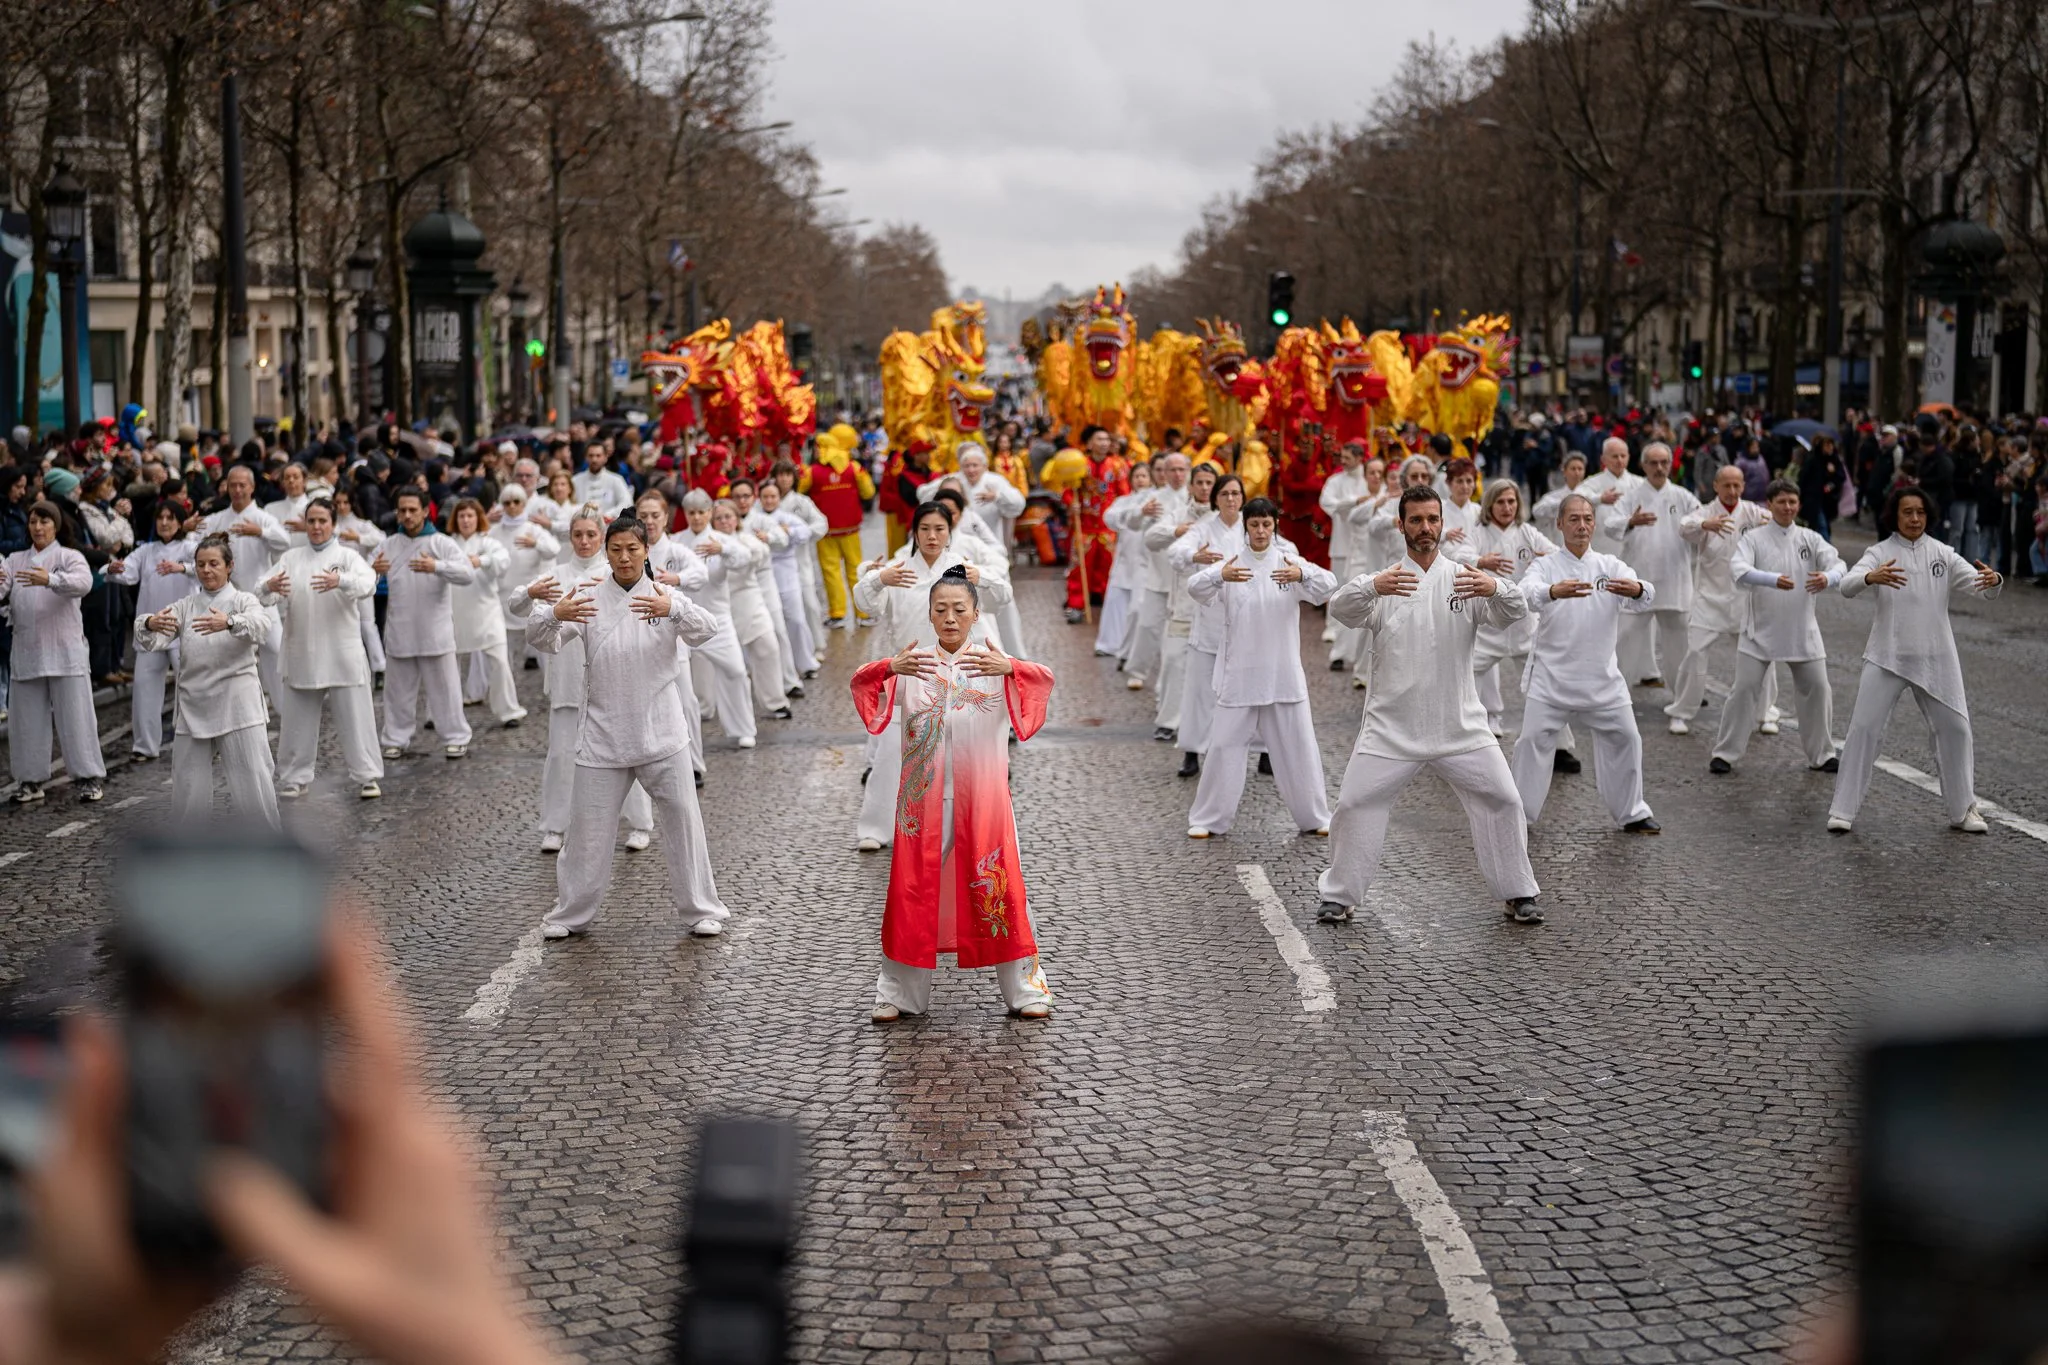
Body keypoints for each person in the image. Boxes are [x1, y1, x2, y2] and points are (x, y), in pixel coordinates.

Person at [1316, 486, 1543, 926]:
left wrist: (1494, 585)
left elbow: (1516, 609)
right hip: (1391, 727)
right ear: (1400, 525)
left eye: (1433, 520)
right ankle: (1339, 895)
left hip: (1459, 725)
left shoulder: (1464, 577)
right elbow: (1341, 608)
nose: (1425, 529)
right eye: (1416, 520)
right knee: (1354, 803)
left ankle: (1518, 893)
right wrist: (1370, 584)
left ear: (1443, 523)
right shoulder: (1384, 582)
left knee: (1503, 799)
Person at [853, 564, 1054, 1022]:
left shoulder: (993, 664)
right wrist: (888, 666)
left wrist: (1012, 668)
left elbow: (1041, 680)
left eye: (959, 609)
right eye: (940, 609)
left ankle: (1025, 988)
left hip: (982, 799)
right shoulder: (913, 663)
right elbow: (865, 686)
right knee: (910, 890)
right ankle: (898, 993)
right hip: (921, 802)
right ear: (928, 614)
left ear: (975, 613)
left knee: (1000, 887)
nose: (949, 618)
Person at [528, 515, 729, 940]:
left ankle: (700, 908)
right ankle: (570, 913)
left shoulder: (663, 594)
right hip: (603, 733)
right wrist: (552, 614)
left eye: (632, 549)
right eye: (615, 549)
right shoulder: (586, 596)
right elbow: (542, 638)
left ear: (646, 551)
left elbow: (707, 630)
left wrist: (673, 607)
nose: (623, 557)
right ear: (606, 551)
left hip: (662, 731)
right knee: (587, 829)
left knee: (683, 822)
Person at [1827, 486, 2001, 834]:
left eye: (1920, 512)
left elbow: (1983, 588)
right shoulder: (1879, 552)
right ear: (1895, 515)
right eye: (1907, 512)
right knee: (1864, 729)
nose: (1915, 518)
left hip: (1937, 656)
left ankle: (1963, 810)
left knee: (1956, 729)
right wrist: (1868, 577)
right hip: (1886, 655)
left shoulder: (1944, 553)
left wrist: (1993, 580)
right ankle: (1842, 811)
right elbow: (1846, 585)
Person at [851, 500, 1013, 851]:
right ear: (914, 532)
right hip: (911, 668)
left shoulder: (961, 569)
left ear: (949, 531)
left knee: (962, 748)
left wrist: (981, 576)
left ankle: (963, 824)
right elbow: (865, 603)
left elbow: (1003, 596)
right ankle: (877, 828)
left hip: (956, 669)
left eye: (939, 529)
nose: (932, 536)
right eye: (925, 529)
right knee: (892, 748)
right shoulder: (900, 571)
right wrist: (879, 578)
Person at [1184, 497, 1336, 839]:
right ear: (1246, 527)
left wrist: (1304, 572)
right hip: (1240, 673)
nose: (1261, 531)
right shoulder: (1231, 563)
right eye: (1255, 525)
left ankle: (1314, 815)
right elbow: (1195, 588)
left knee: (1299, 747)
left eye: (1267, 524)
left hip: (1283, 673)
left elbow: (1329, 585)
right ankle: (1208, 818)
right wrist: (1219, 576)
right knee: (1223, 747)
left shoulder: (1289, 562)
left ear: (1275, 526)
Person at [1509, 494, 1661, 834]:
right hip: (1551, 679)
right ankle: (1519, 814)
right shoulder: (1546, 565)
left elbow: (1646, 595)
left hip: (1602, 679)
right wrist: (1552, 592)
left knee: (1627, 737)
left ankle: (1633, 812)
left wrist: (1636, 590)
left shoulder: (1610, 565)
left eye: (1588, 519)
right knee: (1532, 741)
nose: (1582, 525)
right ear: (1559, 524)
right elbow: (1524, 594)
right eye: (1574, 519)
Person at [511, 507, 658, 852]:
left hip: (613, 681)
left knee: (629, 751)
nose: (584, 541)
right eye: (578, 535)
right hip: (565, 678)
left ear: (602, 538)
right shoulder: (556, 574)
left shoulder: (618, 574)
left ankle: (639, 823)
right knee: (562, 755)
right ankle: (555, 827)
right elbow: (518, 608)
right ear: (569, 537)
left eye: (592, 535)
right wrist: (532, 593)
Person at [135, 533, 279, 826]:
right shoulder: (186, 605)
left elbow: (262, 625)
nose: (206, 570)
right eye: (201, 564)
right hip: (193, 706)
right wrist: (149, 623)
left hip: (238, 706)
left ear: (229, 566)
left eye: (214, 563)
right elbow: (151, 638)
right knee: (188, 791)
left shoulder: (243, 600)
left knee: (254, 786)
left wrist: (228, 622)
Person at [1710, 479, 1845, 775]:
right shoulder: (1754, 539)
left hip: (1802, 629)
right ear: (1769, 505)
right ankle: (1725, 753)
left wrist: (1827, 578)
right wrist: (1771, 579)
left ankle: (1822, 754)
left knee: (1818, 689)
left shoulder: (1810, 538)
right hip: (1760, 630)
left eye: (1792, 502)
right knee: (1744, 690)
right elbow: (1739, 570)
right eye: (1781, 502)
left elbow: (1838, 564)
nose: (1787, 507)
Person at [262, 498, 383, 800]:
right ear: (304, 523)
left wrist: (340, 580)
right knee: (297, 720)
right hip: (301, 649)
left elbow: (368, 583)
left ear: (333, 524)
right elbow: (261, 591)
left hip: (342, 651)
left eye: (322, 521)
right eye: (311, 521)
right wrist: (269, 588)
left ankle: (367, 775)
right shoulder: (290, 558)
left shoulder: (348, 556)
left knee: (356, 717)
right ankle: (293, 776)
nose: (316, 527)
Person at [2, 501, 106, 803]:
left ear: (56, 526)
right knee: (26, 722)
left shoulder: (69, 556)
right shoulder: (15, 559)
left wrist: (50, 579)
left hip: (65, 652)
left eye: (44, 522)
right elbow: (3, 586)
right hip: (27, 651)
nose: (37, 527)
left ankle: (88, 777)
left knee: (76, 718)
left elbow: (84, 584)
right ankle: (31, 781)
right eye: (33, 521)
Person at [1668, 464, 1777, 736]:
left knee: (1763, 655)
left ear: (1743, 486)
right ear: (1715, 486)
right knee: (1694, 653)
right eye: (1726, 485)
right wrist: (1706, 525)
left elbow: (1780, 522)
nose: (1732, 491)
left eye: (1737, 485)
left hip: (1746, 600)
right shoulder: (1704, 512)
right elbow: (1684, 527)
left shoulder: (1753, 512)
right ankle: (1681, 711)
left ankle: (1766, 713)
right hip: (1709, 598)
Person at [374, 487, 476, 760]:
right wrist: (374, 573)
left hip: (436, 633)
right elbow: (364, 580)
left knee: (446, 691)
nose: (407, 515)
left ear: (424, 511)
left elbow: (467, 574)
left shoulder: (441, 543)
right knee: (397, 694)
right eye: (402, 510)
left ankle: (455, 736)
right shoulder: (388, 545)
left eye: (412, 510)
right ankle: (395, 737)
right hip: (400, 631)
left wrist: (438, 567)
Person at [1167, 473, 1249, 779]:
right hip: (1210, 620)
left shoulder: (1251, 525)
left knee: (1252, 686)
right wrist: (1193, 555)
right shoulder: (1203, 527)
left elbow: (1283, 547)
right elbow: (1175, 553)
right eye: (1225, 494)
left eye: (1235, 494)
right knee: (1200, 689)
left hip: (1246, 622)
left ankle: (1263, 749)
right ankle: (1192, 750)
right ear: (1215, 498)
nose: (1230, 499)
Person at [1464, 480, 1558, 739]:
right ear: (1490, 505)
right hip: (1488, 624)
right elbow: (1458, 556)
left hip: (1523, 623)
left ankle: (1559, 744)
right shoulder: (1478, 532)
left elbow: (1556, 554)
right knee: (1463, 676)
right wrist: (1480, 560)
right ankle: (1453, 733)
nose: (1507, 508)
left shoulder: (1527, 532)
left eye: (1512, 501)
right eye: (1501, 502)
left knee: (1541, 682)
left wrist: (1546, 559)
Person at [1603, 441, 1698, 688]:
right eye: (1653, 463)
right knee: (1624, 639)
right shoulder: (1632, 497)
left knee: (1680, 643)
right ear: (1643, 465)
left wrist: (1698, 527)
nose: (1659, 468)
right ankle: (1616, 694)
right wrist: (1630, 521)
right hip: (1639, 579)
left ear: (1671, 464)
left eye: (1664, 462)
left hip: (1674, 580)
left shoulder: (1683, 496)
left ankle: (1682, 699)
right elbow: (1610, 525)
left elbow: (1700, 524)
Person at [672, 488, 759, 750]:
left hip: (718, 618)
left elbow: (744, 559)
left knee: (735, 670)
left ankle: (743, 728)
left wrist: (723, 549)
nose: (697, 517)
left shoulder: (722, 539)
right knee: (680, 678)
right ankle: (681, 730)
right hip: (683, 620)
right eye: (692, 512)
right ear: (685, 514)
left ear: (710, 512)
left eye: (702, 512)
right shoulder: (676, 542)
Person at [198, 465, 291, 708]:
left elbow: (284, 541)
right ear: (226, 487)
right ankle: (236, 706)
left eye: (242, 485)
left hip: (260, 598)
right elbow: (194, 541)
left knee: (275, 648)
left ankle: (284, 707)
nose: (237, 490)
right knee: (229, 654)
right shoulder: (218, 519)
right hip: (226, 602)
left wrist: (259, 532)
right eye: (232, 485)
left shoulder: (262, 518)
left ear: (252, 487)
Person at [110, 502, 196, 762]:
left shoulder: (191, 548)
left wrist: (184, 568)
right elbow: (128, 574)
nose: (165, 522)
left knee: (191, 688)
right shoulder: (146, 551)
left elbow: (211, 570)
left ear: (180, 522)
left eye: (171, 518)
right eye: (161, 517)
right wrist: (113, 569)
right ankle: (145, 745)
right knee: (145, 689)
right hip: (150, 630)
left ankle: (200, 740)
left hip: (183, 630)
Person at [1146, 461, 1213, 744]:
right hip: (1183, 602)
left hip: (1214, 603)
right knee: (1174, 659)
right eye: (1200, 482)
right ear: (1191, 485)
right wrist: (1177, 531)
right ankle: (1169, 720)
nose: (1205, 488)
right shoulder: (1178, 513)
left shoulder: (1225, 516)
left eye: (1210, 483)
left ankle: (1212, 723)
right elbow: (1151, 538)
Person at [443, 498, 524, 729]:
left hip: (486, 611)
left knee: (499, 661)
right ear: (455, 520)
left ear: (478, 518)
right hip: (455, 612)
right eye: (462, 516)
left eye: (470, 516)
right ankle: (442, 712)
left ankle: (509, 710)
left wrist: (481, 560)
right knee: (448, 665)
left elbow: (503, 561)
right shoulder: (448, 543)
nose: (466, 520)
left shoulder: (489, 542)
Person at [1124, 451, 1192, 694]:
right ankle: (1137, 671)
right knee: (1147, 625)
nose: (1175, 474)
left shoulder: (1193, 498)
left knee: (1174, 634)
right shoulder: (1153, 498)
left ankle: (1168, 684)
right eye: (1169, 469)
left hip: (1184, 576)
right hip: (1156, 572)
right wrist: (1141, 513)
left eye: (1180, 469)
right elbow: (1131, 523)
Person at [804, 425, 875, 628]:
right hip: (851, 529)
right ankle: (863, 614)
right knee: (856, 571)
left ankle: (837, 614)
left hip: (826, 532)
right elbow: (869, 492)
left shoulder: (811, 472)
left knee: (831, 572)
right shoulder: (854, 468)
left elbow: (799, 490)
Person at [1318, 443, 1379, 672]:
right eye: (1341, 456)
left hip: (1367, 549)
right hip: (1343, 544)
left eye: (1346, 457)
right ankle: (1332, 628)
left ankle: (1358, 650)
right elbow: (1327, 504)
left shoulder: (1369, 480)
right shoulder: (1335, 481)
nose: (1342, 461)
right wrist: (1354, 502)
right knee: (1338, 590)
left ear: (1359, 458)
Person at [487, 483, 559, 673]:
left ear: (524, 503)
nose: (511, 506)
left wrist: (536, 543)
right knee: (502, 654)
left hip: (532, 597)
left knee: (544, 650)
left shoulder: (533, 529)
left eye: (516, 501)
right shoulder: (493, 531)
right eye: (507, 502)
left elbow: (553, 549)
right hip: (502, 598)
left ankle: (553, 692)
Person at [757, 480, 820, 680]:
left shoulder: (787, 517)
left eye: (773, 497)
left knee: (796, 619)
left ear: (778, 498)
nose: (769, 500)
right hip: (762, 573)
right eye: (765, 497)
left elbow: (806, 532)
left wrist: (789, 531)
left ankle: (806, 661)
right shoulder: (754, 518)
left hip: (787, 571)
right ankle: (778, 667)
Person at [1097, 461, 1156, 659]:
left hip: (1146, 558)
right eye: (1137, 476)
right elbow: (1109, 518)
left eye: (1144, 476)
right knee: (1117, 599)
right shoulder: (1123, 501)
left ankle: (1137, 647)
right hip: (1125, 558)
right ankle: (1109, 643)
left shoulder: (1157, 499)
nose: (1140, 480)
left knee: (1139, 605)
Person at [331, 487, 389, 678]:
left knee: (367, 624)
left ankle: (379, 667)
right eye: (338, 503)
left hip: (361, 580)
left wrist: (358, 538)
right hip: (337, 582)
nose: (341, 507)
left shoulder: (362, 525)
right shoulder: (332, 526)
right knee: (340, 624)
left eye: (345, 502)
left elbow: (381, 538)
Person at [569, 440, 632, 517]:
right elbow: (569, 505)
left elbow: (627, 502)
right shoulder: (575, 480)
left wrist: (609, 515)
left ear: (605, 457)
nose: (594, 460)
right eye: (591, 455)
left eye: (598, 455)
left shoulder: (616, 480)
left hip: (609, 525)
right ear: (585, 458)